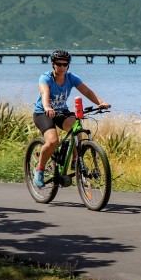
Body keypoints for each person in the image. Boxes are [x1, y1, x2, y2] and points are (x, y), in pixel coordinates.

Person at [31, 49, 109, 188]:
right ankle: (40, 169)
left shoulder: (71, 77)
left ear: (68, 65)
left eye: (64, 64)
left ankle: (75, 159)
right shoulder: (46, 78)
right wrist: (47, 107)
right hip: (43, 113)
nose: (61, 67)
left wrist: (100, 103)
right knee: (53, 141)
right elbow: (45, 92)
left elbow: (86, 91)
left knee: (77, 126)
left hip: (61, 112)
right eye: (58, 64)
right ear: (53, 65)